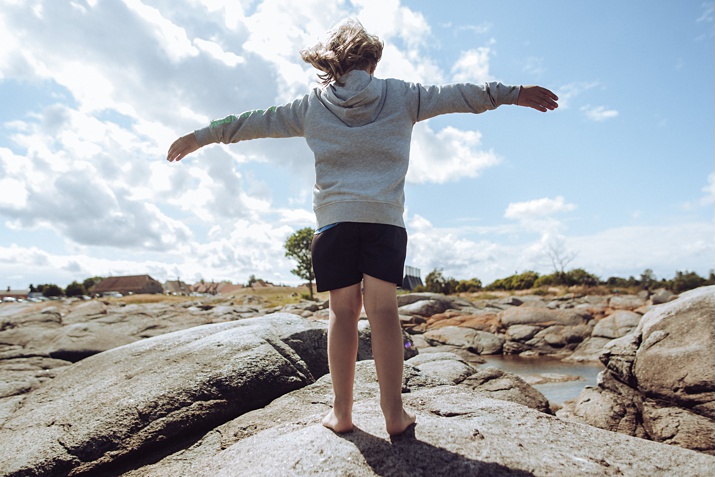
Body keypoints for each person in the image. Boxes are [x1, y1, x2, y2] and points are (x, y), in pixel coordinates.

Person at [165, 19, 558, 437]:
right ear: (372, 61)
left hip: (334, 222)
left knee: (342, 313)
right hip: (384, 222)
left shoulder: (310, 106)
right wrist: (512, 94)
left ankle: (342, 414)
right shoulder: (404, 95)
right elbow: (460, 95)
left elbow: (253, 121)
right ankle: (394, 415)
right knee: (385, 312)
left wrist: (200, 137)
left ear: (332, 63)